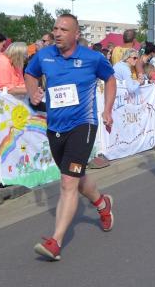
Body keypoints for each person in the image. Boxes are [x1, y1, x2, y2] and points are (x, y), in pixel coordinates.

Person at [23, 13, 116, 261]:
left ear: (76, 34)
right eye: (55, 28)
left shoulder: (92, 58)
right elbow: (30, 73)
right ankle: (102, 203)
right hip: (55, 126)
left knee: (67, 182)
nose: (57, 33)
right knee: (76, 177)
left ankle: (56, 242)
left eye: (64, 30)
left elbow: (110, 78)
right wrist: (32, 92)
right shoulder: (44, 55)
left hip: (83, 125)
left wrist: (107, 110)